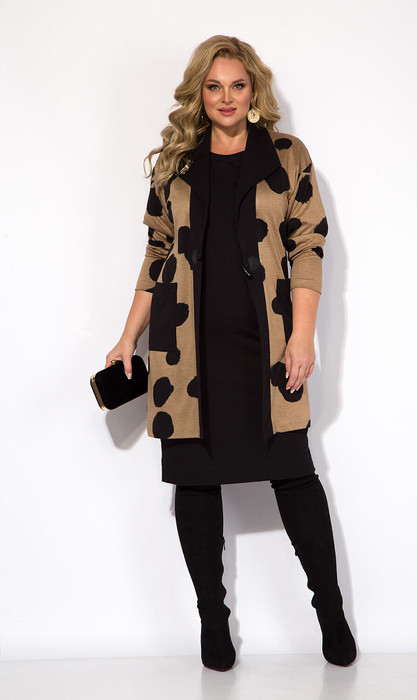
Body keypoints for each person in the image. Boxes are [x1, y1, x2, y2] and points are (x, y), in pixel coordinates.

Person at [105, 35, 357, 671]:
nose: (226, 98)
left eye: (237, 86)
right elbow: (157, 254)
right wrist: (128, 336)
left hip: (265, 345)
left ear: (254, 91)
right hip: (186, 353)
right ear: (199, 93)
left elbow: (308, 246)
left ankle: (330, 614)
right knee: (195, 481)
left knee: (293, 473)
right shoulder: (175, 164)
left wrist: (303, 335)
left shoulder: (287, 156)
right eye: (214, 87)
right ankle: (212, 625)